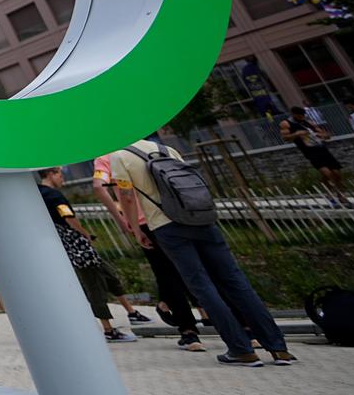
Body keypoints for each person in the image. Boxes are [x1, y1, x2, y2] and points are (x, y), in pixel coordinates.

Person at [110, 136, 294, 366]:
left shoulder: (119, 156)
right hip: (201, 219)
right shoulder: (166, 149)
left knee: (201, 285)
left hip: (166, 226)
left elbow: (126, 196)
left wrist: (136, 230)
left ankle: (241, 349)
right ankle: (279, 348)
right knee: (235, 280)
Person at [90, 155, 194, 349]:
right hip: (178, 215)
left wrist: (123, 221)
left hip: (146, 222)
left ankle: (189, 332)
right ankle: (218, 318)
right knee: (194, 267)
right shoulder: (148, 148)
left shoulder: (105, 158)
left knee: (166, 273)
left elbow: (99, 186)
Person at [37, 168, 138, 343]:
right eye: (60, 175)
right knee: (95, 285)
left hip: (66, 243)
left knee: (107, 275)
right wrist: (85, 233)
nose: (63, 179)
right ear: (51, 175)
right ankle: (108, 329)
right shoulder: (55, 197)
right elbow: (68, 217)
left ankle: (131, 312)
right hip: (78, 246)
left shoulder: (38, 193)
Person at [280, 104, 348, 205]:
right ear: (294, 114)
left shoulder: (308, 122)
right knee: (327, 173)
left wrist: (323, 135)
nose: (302, 117)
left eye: (303, 115)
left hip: (321, 148)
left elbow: (325, 134)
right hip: (310, 151)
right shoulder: (286, 123)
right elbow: (285, 138)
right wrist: (297, 134)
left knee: (336, 173)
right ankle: (333, 194)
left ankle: (340, 192)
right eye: (300, 115)